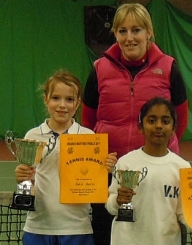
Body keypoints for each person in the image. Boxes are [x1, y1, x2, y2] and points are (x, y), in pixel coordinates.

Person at [82, 3, 188, 244]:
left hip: (158, 173)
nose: (129, 38)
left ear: (149, 32)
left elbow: (179, 119)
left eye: (137, 30)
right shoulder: (98, 69)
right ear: (116, 34)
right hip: (110, 173)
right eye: (122, 31)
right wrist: (103, 159)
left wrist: (160, 155)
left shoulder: (169, 67)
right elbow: (88, 121)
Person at [14, 70, 117, 245]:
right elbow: (29, 181)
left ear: (77, 103)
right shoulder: (32, 136)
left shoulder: (88, 137)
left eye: (69, 99)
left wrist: (106, 167)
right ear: (46, 99)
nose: (62, 105)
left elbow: (96, 185)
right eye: (56, 98)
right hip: (37, 227)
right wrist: (23, 177)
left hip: (77, 228)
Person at [106, 97, 192, 245]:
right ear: (140, 127)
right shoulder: (125, 163)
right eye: (151, 121)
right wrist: (117, 201)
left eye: (166, 121)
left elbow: (184, 212)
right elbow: (110, 206)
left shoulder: (182, 167)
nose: (159, 126)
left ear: (174, 128)